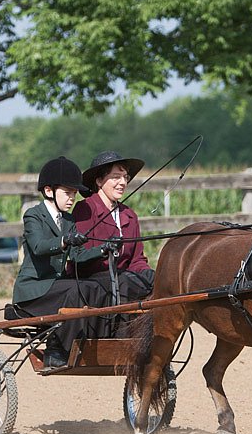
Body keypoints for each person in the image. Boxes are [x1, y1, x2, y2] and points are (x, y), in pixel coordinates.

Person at [11, 156, 111, 367]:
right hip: (34, 288)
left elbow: (77, 255)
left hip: (56, 286)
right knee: (74, 291)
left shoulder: (68, 220)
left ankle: (91, 341)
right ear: (49, 191)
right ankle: (55, 348)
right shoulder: (33, 216)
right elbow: (38, 247)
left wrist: (102, 249)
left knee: (91, 286)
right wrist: (65, 240)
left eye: (74, 194)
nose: (72, 198)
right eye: (67, 193)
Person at [70, 151, 155, 310]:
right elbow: (81, 258)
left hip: (124, 281)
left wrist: (148, 275)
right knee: (124, 282)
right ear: (99, 181)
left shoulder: (129, 215)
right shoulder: (86, 209)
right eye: (116, 177)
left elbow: (137, 260)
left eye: (125, 177)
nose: (123, 182)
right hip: (93, 282)